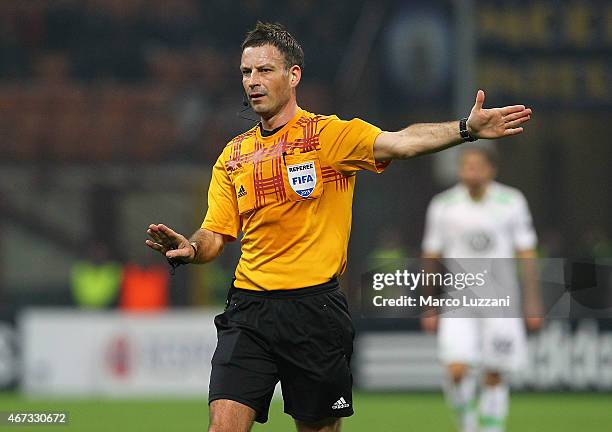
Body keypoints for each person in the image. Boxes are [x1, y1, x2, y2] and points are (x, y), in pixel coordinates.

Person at [145, 22, 532, 432]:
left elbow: (401, 142)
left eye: (264, 70)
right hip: (249, 311)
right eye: (246, 72)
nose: (252, 82)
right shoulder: (233, 155)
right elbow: (215, 235)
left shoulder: (329, 137)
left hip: (315, 311)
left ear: (293, 75)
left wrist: (465, 130)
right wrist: (190, 247)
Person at [421, 146, 543, 432]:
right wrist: (429, 303)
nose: (471, 171)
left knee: (494, 372)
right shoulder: (443, 205)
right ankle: (468, 423)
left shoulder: (512, 201)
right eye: (466, 166)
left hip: (501, 302)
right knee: (455, 369)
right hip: (458, 301)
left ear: (491, 169)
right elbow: (431, 256)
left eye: (477, 166)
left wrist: (533, 302)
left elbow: (526, 252)